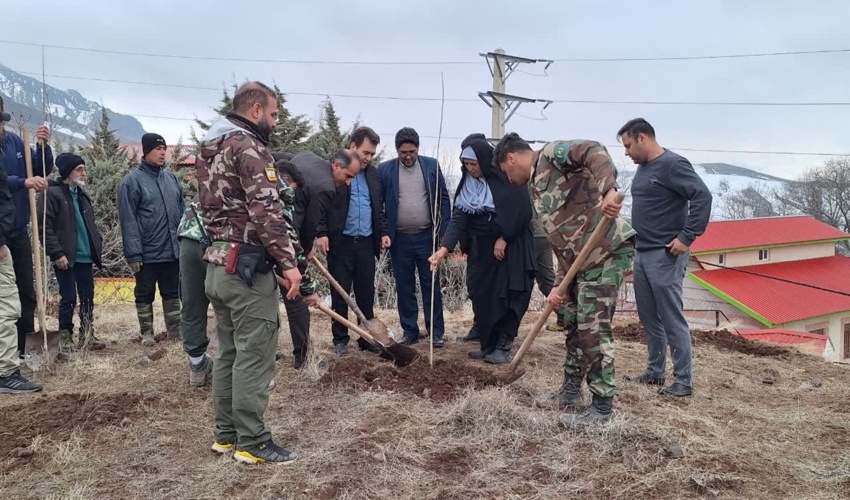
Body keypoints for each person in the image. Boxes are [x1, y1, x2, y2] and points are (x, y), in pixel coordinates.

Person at [197, 81, 318, 465]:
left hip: (218, 265)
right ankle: (252, 441)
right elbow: (268, 212)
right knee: (254, 355)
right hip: (247, 269)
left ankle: (225, 435)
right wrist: (288, 264)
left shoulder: (209, 148)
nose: (276, 121)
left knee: (230, 353)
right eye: (274, 113)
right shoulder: (250, 147)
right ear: (254, 110)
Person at [498, 133, 636, 427]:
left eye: (505, 172)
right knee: (573, 322)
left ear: (510, 158)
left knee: (592, 326)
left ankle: (602, 408)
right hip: (577, 263)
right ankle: (571, 392)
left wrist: (609, 190)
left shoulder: (551, 155)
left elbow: (592, 150)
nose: (508, 179)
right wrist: (561, 284)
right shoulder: (535, 187)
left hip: (605, 251)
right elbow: (562, 239)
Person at [618, 118, 712, 398]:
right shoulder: (644, 168)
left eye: (627, 146)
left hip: (665, 255)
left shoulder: (673, 164)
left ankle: (683, 382)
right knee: (649, 318)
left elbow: (702, 197)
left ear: (642, 137)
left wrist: (686, 237)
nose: (626, 153)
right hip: (643, 252)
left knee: (671, 319)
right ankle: (654, 372)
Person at [429, 137, 535, 364]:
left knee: (508, 294)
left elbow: (522, 212)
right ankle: (488, 344)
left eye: (474, 164)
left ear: (485, 161)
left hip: (511, 247)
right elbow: (459, 219)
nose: (470, 169)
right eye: (466, 165)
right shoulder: (468, 183)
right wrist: (443, 249)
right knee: (483, 293)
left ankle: (504, 345)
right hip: (483, 247)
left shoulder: (505, 179)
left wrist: (505, 237)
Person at [316, 129, 389, 356]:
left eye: (372, 154)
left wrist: (383, 232)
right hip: (340, 242)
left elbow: (379, 207)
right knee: (340, 292)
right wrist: (321, 232)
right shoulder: (335, 170)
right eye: (365, 152)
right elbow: (320, 203)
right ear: (353, 146)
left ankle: (367, 338)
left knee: (366, 292)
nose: (368, 158)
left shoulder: (374, 176)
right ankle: (340, 339)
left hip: (366, 242)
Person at [380, 127, 451, 347]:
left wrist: (443, 235)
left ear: (418, 148)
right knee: (404, 286)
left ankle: (435, 332)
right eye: (403, 152)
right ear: (397, 150)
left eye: (412, 151)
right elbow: (380, 206)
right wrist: (384, 232)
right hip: (399, 240)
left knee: (431, 285)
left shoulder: (431, 166)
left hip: (427, 238)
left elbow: (444, 200)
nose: (408, 156)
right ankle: (410, 331)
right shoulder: (385, 170)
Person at [118, 133, 184, 346]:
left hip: (171, 250)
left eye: (164, 148)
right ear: (146, 151)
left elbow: (182, 213)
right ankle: (147, 333)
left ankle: (175, 331)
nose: (163, 152)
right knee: (145, 293)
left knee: (172, 292)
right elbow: (128, 220)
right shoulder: (132, 182)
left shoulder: (171, 179)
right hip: (146, 252)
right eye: (158, 148)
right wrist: (134, 253)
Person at [0, 96, 53, 358]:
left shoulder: (14, 141)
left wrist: (43, 147)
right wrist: (23, 182)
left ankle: (24, 347)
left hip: (17, 229)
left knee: (25, 292)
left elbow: (40, 168)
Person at [39, 153, 105, 352]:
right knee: (68, 297)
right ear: (68, 172)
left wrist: (97, 242)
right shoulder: (51, 193)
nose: (84, 173)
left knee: (87, 296)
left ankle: (87, 334)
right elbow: (45, 227)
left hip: (85, 255)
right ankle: (65, 337)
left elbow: (90, 225)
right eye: (79, 169)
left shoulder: (83, 195)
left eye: (84, 168)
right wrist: (56, 253)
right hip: (66, 256)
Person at [274, 158, 318, 369]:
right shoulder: (277, 198)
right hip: (256, 260)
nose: (291, 195)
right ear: (285, 180)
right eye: (292, 190)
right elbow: (289, 240)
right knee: (296, 303)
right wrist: (307, 287)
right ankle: (302, 357)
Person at [177, 195, 213, 387]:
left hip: (189, 236)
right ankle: (244, 369)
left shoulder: (212, 172)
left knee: (193, 303)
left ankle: (197, 366)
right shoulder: (254, 172)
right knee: (235, 300)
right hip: (219, 240)